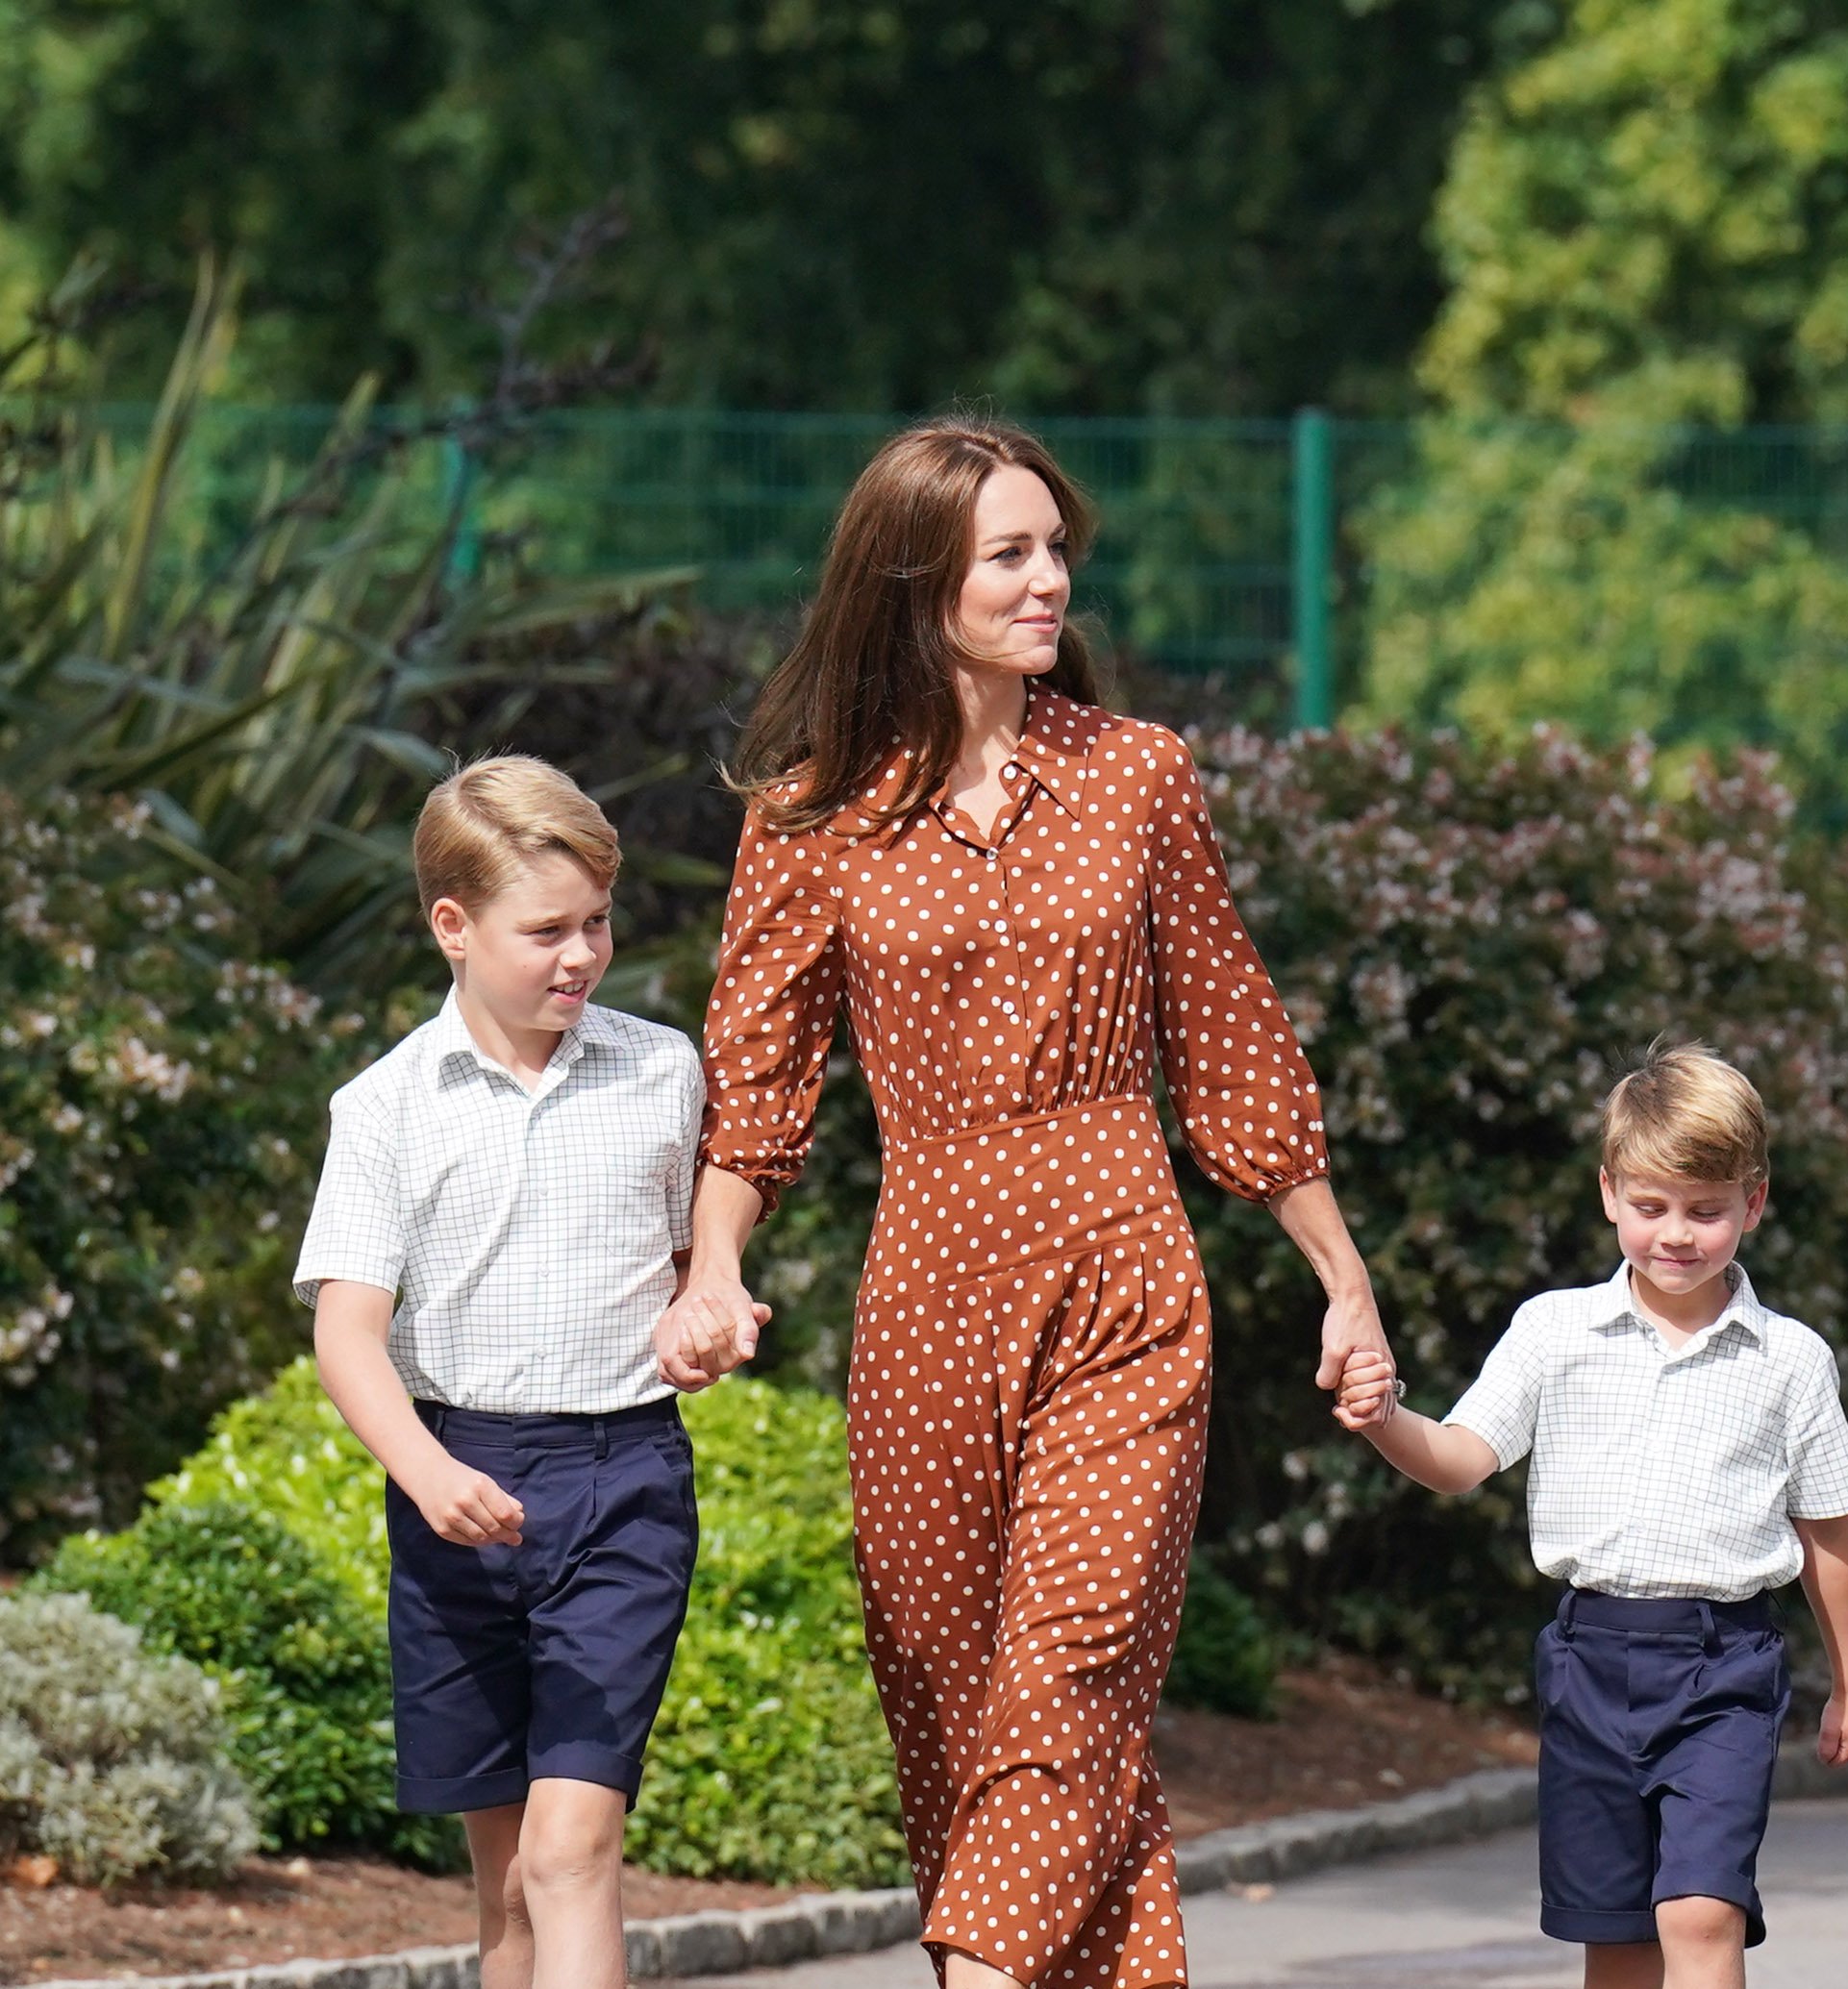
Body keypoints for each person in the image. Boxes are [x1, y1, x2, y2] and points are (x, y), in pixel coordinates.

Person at [666, 417, 1389, 1989]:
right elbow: (758, 1071)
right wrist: (713, 1262)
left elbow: (1230, 1032)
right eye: (1012, 550)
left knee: (1071, 1671)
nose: (1051, 577)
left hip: (1122, 1275)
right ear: (916, 579)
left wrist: (1339, 1274)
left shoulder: (1134, 776)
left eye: (1056, 547)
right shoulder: (810, 812)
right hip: (925, 1293)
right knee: (956, 1713)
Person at [295, 758, 731, 1989]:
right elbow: (346, 1329)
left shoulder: (661, 1071)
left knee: (573, 1843)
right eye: (545, 929)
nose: (581, 953)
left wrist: (709, 1311)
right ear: (453, 924)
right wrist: (427, 1473)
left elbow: (703, 1267)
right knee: (507, 1887)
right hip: (457, 1487)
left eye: (597, 920)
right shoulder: (385, 1107)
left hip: (623, 1480)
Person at [1330, 1041, 1848, 1989]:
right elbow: (1461, 1459)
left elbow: (1829, 1528)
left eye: (1706, 1209)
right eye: (1651, 1205)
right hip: (1590, 1661)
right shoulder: (1553, 1331)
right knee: (1618, 1936)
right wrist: (1384, 1419)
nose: (1677, 1233)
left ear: (1753, 1201)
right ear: (1610, 1192)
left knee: (1701, 1911)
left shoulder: (1790, 1358)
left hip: (1724, 1665)